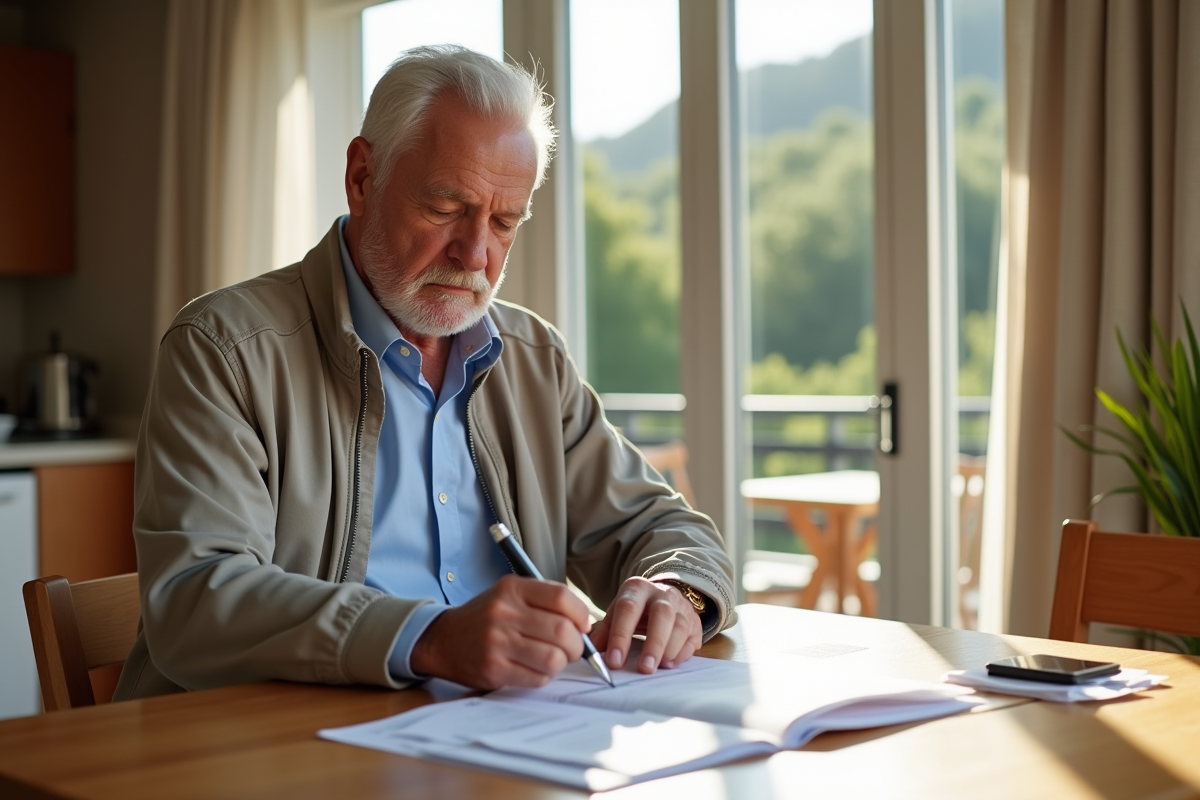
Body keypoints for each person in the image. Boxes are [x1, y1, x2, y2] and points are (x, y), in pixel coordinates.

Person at [115, 45, 735, 700]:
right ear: (361, 177)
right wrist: (429, 638)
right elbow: (196, 600)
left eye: (504, 222)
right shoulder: (223, 349)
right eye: (446, 208)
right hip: (275, 746)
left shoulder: (534, 359)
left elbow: (661, 527)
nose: (476, 254)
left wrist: (675, 588)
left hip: (495, 741)